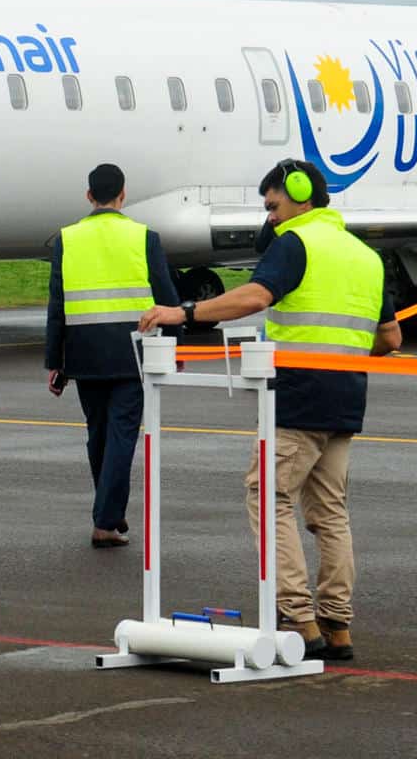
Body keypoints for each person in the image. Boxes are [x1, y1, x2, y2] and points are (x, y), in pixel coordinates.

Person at [140, 159, 399, 662]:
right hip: (345, 396)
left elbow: (255, 297)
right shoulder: (366, 255)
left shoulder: (295, 244)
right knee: (330, 513)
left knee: (268, 495)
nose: (270, 216)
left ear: (300, 195)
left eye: (273, 205)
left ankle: (298, 616)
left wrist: (184, 312)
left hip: (297, 397)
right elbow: (390, 338)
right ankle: (337, 622)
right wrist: (339, 356)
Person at [44, 163, 181, 548]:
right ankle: (105, 520)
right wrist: (176, 345)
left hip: (85, 353)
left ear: (89, 196)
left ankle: (109, 509)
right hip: (131, 354)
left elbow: (57, 306)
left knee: (99, 435)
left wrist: (55, 362)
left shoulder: (66, 239)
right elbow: (167, 296)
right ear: (124, 195)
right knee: (122, 436)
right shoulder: (144, 237)